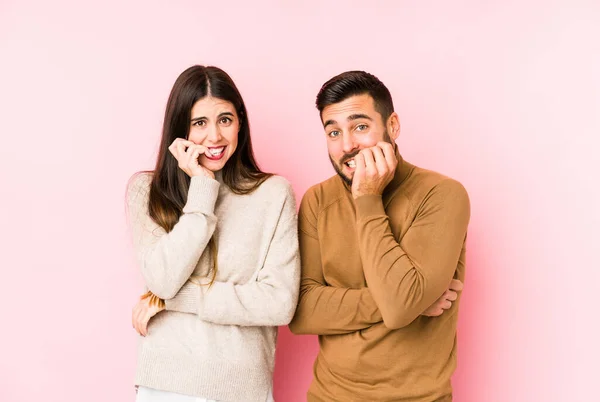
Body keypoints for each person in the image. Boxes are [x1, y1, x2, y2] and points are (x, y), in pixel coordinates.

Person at [289, 70, 470, 401]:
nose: (347, 146)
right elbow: (301, 312)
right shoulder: (317, 200)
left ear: (393, 126)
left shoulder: (442, 195)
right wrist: (404, 301)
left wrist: (367, 198)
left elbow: (401, 307)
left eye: (360, 127)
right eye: (333, 132)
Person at [126, 65, 300, 402]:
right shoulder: (146, 191)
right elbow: (162, 280)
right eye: (199, 123)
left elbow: (279, 303)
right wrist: (202, 188)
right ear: (180, 129)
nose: (215, 137)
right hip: (166, 383)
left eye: (225, 119)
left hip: (241, 386)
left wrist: (176, 298)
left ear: (240, 123)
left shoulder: (273, 193)